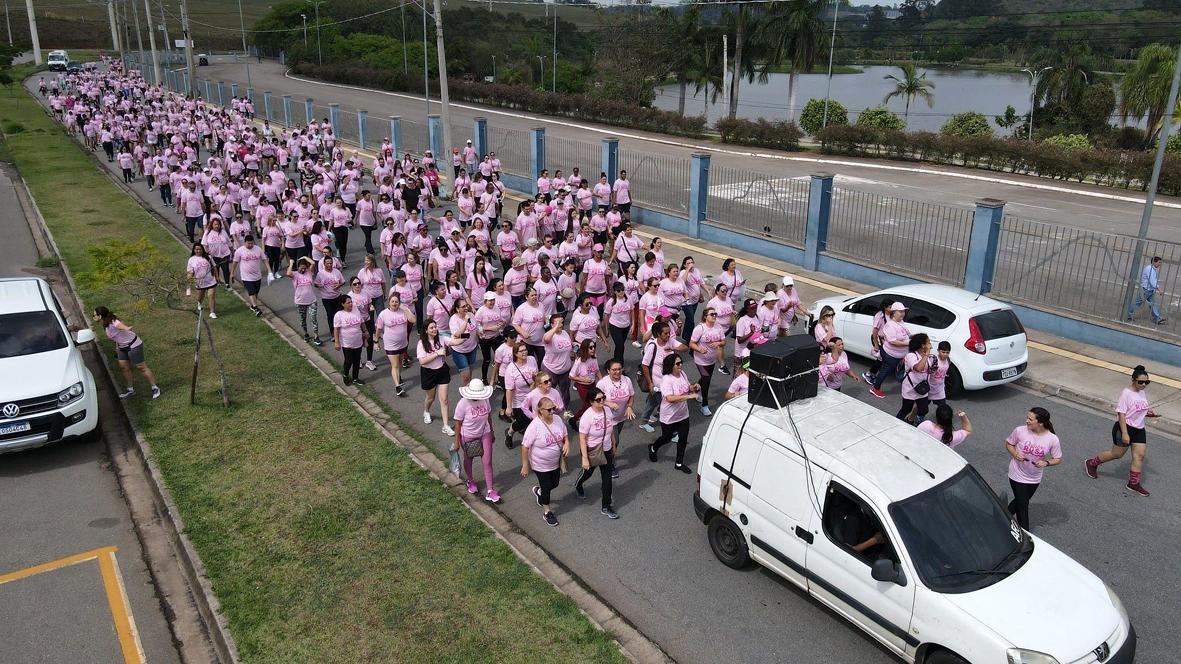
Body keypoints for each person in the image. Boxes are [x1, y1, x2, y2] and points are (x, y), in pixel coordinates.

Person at [1084, 365, 1159, 496]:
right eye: (1140, 382)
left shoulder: (1142, 391)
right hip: (1125, 428)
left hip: (1139, 428)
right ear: (1133, 380)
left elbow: (1137, 408)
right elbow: (1122, 414)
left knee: (1139, 456)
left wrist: (1147, 412)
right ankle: (1091, 463)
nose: (1143, 385)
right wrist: (1124, 433)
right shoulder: (1126, 393)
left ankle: (1133, 484)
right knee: (1117, 454)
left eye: (1146, 382)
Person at [1004, 407, 1062, 530]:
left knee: (1019, 502)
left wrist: (1046, 463)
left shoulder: (1052, 439)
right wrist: (1015, 454)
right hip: (1017, 473)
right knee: (1023, 505)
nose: (1027, 421)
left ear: (1040, 423)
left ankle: (1002, 516)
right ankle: (1025, 533)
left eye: (1030, 419)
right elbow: (1009, 443)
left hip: (1034, 477)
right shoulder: (1020, 431)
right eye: (1027, 418)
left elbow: (1058, 458)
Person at [520, 396, 570, 527]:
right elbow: (525, 447)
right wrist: (525, 466)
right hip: (539, 464)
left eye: (553, 408)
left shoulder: (558, 420)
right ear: (540, 410)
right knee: (547, 486)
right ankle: (547, 512)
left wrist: (567, 444)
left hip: (555, 462)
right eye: (549, 409)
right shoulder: (534, 426)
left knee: (555, 483)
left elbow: (565, 435)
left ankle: (540, 492)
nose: (552, 411)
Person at [94, 307, 161, 400]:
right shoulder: (106, 324)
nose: (93, 317)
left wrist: (126, 328)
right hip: (122, 348)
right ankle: (130, 390)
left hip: (133, 345)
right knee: (124, 368)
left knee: (141, 368)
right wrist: (117, 348)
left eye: (94, 315)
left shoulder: (113, 322)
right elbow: (116, 337)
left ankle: (155, 388)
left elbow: (119, 325)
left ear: (100, 316)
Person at [649, 354, 699, 473]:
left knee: (683, 438)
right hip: (669, 416)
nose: (680, 365)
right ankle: (653, 447)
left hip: (683, 414)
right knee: (666, 438)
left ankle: (679, 463)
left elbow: (687, 387)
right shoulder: (666, 379)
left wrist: (694, 387)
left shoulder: (682, 374)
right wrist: (689, 396)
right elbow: (669, 398)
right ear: (671, 366)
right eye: (677, 363)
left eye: (681, 362)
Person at [453, 379, 501, 503]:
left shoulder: (485, 400)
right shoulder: (462, 404)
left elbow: (489, 416)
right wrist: (457, 442)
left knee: (487, 461)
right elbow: (458, 424)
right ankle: (470, 480)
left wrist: (492, 432)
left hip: (485, 433)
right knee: (469, 459)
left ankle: (490, 490)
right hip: (468, 435)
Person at [575, 387, 619, 519]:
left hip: (606, 449)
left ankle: (606, 506)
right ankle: (578, 484)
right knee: (587, 473)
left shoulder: (607, 411)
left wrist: (613, 444)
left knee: (607, 479)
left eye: (603, 398)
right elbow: (582, 438)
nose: (602, 401)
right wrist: (585, 458)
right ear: (591, 402)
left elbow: (610, 429)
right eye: (598, 399)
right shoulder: (587, 417)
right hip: (592, 451)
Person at [638, 321, 687, 432]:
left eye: (669, 333)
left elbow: (685, 347)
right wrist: (650, 383)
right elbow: (645, 365)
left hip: (669, 381)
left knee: (652, 401)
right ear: (658, 334)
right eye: (665, 333)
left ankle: (644, 421)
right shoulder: (652, 346)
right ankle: (672, 432)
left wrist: (674, 349)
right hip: (658, 383)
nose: (668, 335)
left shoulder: (670, 341)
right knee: (669, 407)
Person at [417, 320, 455, 436]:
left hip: (442, 371)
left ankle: (445, 426)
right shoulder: (421, 343)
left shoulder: (442, 339)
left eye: (435, 327)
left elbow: (454, 342)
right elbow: (422, 361)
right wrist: (437, 354)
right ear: (426, 330)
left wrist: (465, 337)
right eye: (431, 328)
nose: (434, 329)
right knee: (430, 398)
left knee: (444, 399)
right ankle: (426, 411)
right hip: (428, 373)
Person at [689, 307, 726, 417]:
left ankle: (695, 388)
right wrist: (699, 349)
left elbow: (723, 341)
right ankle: (704, 405)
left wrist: (718, 343)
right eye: (712, 314)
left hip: (712, 359)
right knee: (707, 379)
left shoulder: (718, 327)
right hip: (700, 359)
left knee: (705, 378)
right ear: (706, 316)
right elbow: (691, 343)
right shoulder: (700, 328)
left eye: (715, 314)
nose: (714, 316)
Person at [375, 293, 414, 396]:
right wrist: (376, 342)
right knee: (395, 365)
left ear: (399, 303)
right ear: (389, 302)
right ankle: (398, 387)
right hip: (390, 344)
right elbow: (378, 329)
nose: (394, 303)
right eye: (392, 301)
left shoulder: (404, 311)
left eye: (396, 301)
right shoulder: (383, 314)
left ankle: (398, 377)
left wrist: (405, 309)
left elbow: (413, 320)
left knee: (400, 363)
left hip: (403, 343)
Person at [868, 302, 910, 398]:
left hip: (898, 355)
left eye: (903, 311)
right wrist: (907, 343)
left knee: (886, 370)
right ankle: (875, 388)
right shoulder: (890, 325)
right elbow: (893, 341)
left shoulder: (901, 322)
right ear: (894, 313)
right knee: (884, 371)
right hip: (890, 355)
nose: (903, 313)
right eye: (900, 311)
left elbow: (906, 334)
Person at [502, 341, 538, 448]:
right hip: (519, 401)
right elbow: (509, 389)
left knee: (534, 419)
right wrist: (508, 407)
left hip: (533, 397)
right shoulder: (511, 369)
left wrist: (535, 383)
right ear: (515, 354)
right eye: (521, 351)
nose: (524, 352)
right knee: (522, 421)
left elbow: (537, 375)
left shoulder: (532, 360)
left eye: (525, 350)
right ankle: (509, 432)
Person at [333, 294, 368, 387]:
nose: (351, 304)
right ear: (342, 304)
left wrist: (365, 331)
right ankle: (345, 375)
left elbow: (362, 322)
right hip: (347, 343)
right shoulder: (339, 315)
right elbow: (336, 329)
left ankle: (355, 378)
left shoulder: (356, 311)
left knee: (357, 360)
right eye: (348, 303)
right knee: (349, 360)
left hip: (358, 341)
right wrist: (337, 341)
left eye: (351, 302)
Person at [897, 333, 932, 424]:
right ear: (922, 345)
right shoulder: (911, 356)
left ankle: (910, 420)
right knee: (906, 409)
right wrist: (926, 355)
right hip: (910, 388)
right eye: (928, 343)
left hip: (922, 387)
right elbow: (918, 368)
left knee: (924, 409)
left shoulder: (926, 355)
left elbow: (928, 369)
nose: (930, 345)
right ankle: (896, 422)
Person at [288, 257, 321, 345]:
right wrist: (291, 263)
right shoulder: (294, 274)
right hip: (300, 301)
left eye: (304, 267)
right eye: (301, 267)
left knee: (313, 318)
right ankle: (306, 334)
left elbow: (313, 263)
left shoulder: (309, 272)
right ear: (297, 267)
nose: (303, 269)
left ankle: (316, 336)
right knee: (303, 319)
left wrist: (304, 258)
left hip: (312, 300)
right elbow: (288, 273)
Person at [231, 234, 266, 316]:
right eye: (248, 243)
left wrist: (270, 270)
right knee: (252, 291)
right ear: (244, 243)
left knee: (256, 292)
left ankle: (253, 305)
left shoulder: (258, 249)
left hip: (257, 276)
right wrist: (232, 273)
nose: (250, 245)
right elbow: (235, 262)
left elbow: (264, 259)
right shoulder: (239, 251)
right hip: (246, 276)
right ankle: (255, 307)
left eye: (252, 243)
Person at [1126, 257, 1165, 325]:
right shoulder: (1149, 269)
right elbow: (1152, 281)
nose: (1160, 264)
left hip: (1150, 290)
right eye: (1159, 262)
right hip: (1146, 290)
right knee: (1137, 303)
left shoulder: (1152, 269)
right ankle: (1127, 314)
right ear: (1154, 262)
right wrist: (1159, 289)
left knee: (1153, 304)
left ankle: (1157, 319)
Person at [186, 243, 218, 319]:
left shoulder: (208, 257)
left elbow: (214, 267)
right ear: (194, 250)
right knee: (200, 297)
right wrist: (189, 283)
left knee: (211, 295)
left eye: (200, 249)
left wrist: (217, 277)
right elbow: (190, 272)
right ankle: (199, 303)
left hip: (210, 280)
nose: (198, 251)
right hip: (200, 283)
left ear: (202, 249)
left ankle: (212, 312)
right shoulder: (191, 260)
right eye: (196, 249)